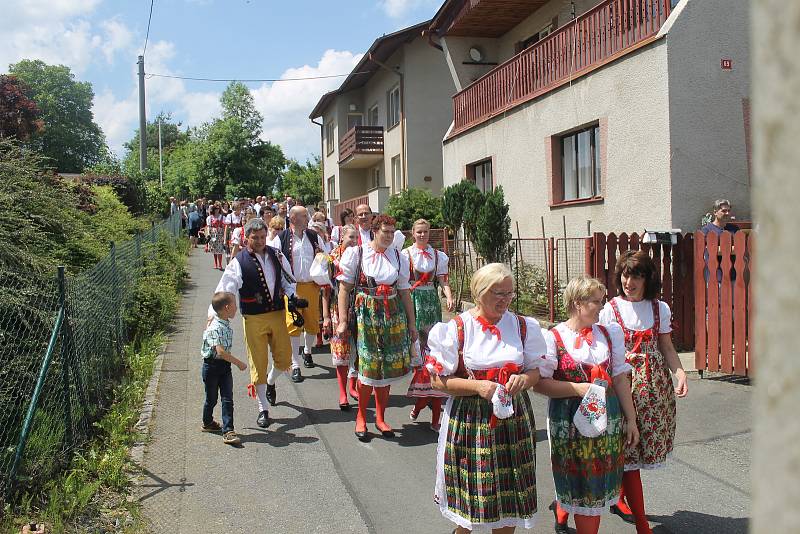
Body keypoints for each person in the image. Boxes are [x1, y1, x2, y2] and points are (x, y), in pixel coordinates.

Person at [425, 262, 546, 532]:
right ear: (479, 293)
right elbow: (437, 380)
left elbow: (536, 371)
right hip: (471, 422)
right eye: (498, 294)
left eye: (509, 294)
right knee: (470, 496)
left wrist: (525, 379)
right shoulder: (458, 328)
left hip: (514, 421)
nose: (505, 300)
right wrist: (478, 387)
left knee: (509, 496)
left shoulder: (522, 326)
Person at [534, 276, 638, 534]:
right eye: (596, 302)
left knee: (596, 492)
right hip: (569, 427)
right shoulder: (553, 337)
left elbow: (620, 379)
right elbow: (540, 385)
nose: (602, 307)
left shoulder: (609, 334)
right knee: (578, 490)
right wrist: (578, 389)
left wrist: (632, 420)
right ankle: (565, 516)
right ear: (578, 303)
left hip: (607, 424)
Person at [598, 251, 688, 534]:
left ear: (648, 279)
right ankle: (638, 520)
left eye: (637, 275)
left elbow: (667, 347)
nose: (630, 281)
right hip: (623, 385)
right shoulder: (610, 310)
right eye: (625, 275)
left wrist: (681, 372)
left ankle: (622, 499)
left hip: (654, 390)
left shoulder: (659, 308)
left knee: (637, 449)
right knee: (625, 446)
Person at [336, 214, 417, 441]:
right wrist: (343, 320)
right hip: (366, 314)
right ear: (374, 231)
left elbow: (404, 292)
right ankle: (362, 416)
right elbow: (344, 289)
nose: (389, 236)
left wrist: (412, 324)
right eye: (385, 232)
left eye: (392, 232)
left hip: (392, 315)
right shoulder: (357, 253)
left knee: (386, 369)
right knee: (368, 367)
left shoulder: (399, 257)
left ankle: (380, 418)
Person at [212, 218, 299, 429]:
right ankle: (263, 408)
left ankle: (270, 382)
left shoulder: (277, 255)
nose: (260, 241)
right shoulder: (238, 262)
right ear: (246, 238)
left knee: (284, 359)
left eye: (262, 237)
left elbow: (289, 280)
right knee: (258, 363)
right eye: (255, 238)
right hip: (253, 318)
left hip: (277, 314)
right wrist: (213, 315)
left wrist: (292, 296)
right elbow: (225, 289)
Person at [403, 219, 455, 432]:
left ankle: (426, 397)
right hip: (414, 299)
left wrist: (449, 296)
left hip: (430, 300)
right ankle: (421, 393)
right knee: (418, 345)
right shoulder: (406, 254)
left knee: (433, 347)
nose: (423, 235)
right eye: (419, 232)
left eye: (425, 232)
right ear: (413, 234)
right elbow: (403, 282)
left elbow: (443, 280)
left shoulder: (437, 255)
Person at [270, 206, 325, 386]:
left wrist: (322, 276)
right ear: (293, 218)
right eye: (304, 215)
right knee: (293, 324)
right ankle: (295, 365)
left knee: (311, 324)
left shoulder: (314, 236)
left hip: (311, 285)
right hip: (291, 287)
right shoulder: (281, 238)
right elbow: (272, 261)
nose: (307, 218)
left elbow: (325, 258)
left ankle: (307, 351)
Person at [201, 292, 248, 446]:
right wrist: (238, 363)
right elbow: (220, 352)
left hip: (224, 367)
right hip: (212, 366)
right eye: (234, 305)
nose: (236, 308)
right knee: (211, 399)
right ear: (227, 308)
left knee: (227, 398)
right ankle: (207, 422)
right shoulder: (216, 327)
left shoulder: (223, 321)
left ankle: (228, 431)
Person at [323, 224, 360, 409]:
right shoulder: (332, 259)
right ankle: (343, 392)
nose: (353, 241)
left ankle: (353, 386)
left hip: (359, 307)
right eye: (350, 237)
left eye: (356, 237)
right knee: (341, 350)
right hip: (338, 309)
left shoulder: (362, 255)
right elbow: (326, 290)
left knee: (357, 348)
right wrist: (326, 317)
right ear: (341, 238)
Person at [206, 205, 226, 270]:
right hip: (213, 234)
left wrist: (224, 235)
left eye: (218, 209)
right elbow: (209, 226)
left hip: (220, 233)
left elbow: (224, 227)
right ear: (213, 210)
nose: (217, 210)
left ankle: (220, 264)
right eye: (215, 209)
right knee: (214, 249)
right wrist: (208, 234)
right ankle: (215, 263)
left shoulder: (222, 217)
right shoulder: (210, 217)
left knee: (220, 249)